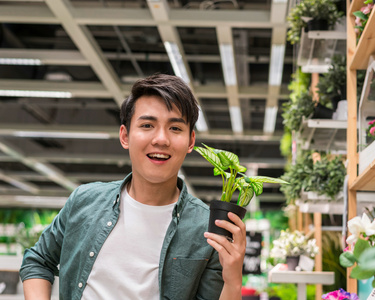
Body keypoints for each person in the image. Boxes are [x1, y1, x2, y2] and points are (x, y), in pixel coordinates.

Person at [19, 73, 247, 300]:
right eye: (147, 125)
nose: (161, 139)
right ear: (125, 135)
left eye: (175, 128)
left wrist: (234, 279)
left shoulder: (206, 228)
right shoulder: (85, 201)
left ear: (191, 141)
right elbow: (38, 260)